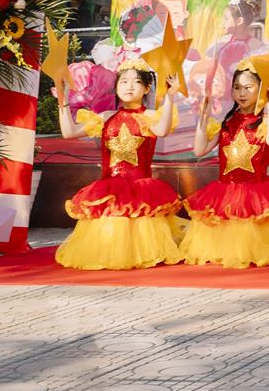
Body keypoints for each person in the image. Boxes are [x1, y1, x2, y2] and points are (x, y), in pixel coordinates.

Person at [52, 56, 184, 270]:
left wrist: (170, 97)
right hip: (109, 188)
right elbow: (69, 132)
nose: (129, 86)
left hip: (141, 189)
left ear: (147, 88)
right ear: (116, 87)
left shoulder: (150, 116)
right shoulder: (106, 116)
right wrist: (63, 100)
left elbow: (162, 130)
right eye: (123, 81)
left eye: (136, 82)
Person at [182, 59, 269, 269]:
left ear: (260, 89)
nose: (242, 93)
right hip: (225, 191)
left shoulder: (265, 122)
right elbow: (199, 150)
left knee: (249, 237)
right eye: (237, 88)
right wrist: (204, 118)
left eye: (248, 87)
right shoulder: (227, 122)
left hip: (254, 192)